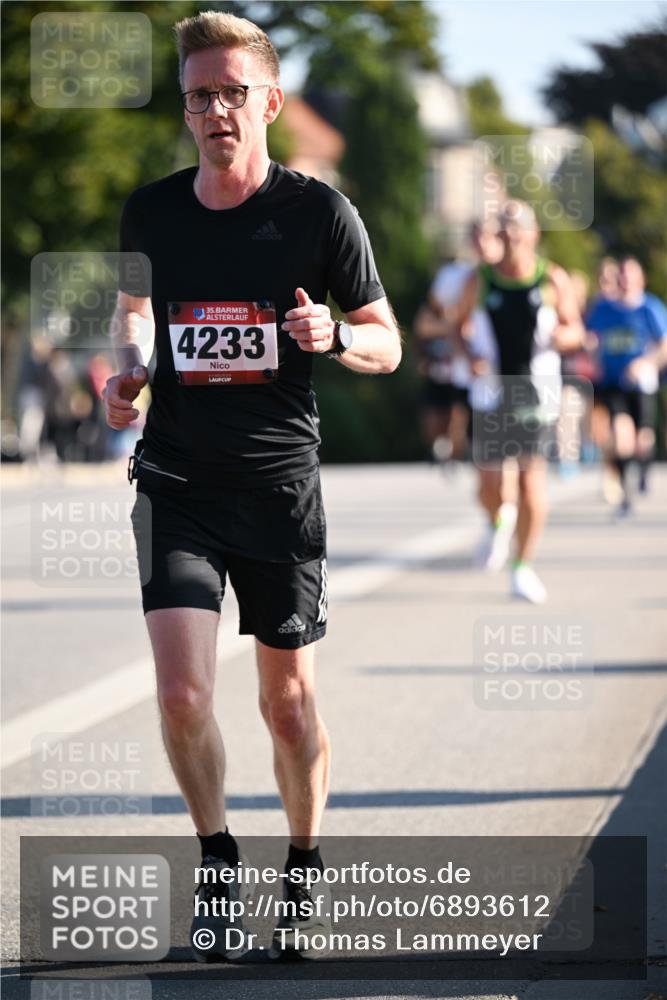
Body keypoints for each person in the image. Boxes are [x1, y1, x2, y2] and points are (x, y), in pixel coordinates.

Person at [102, 11, 401, 961]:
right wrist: (130, 371)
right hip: (176, 482)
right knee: (184, 694)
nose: (217, 110)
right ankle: (218, 857)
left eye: (234, 92)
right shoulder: (151, 211)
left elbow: (387, 341)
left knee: (287, 707)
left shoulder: (318, 214)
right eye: (200, 95)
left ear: (268, 101)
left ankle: (304, 859)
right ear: (185, 110)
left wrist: (339, 339)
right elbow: (135, 315)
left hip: (278, 489)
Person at [457, 200, 584, 604]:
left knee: (531, 486)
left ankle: (522, 567)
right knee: (489, 486)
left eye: (518, 228)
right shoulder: (481, 280)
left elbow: (574, 330)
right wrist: (468, 356)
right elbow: (456, 327)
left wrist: (562, 338)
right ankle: (498, 520)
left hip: (535, 393)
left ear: (533, 234)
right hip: (492, 392)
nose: (510, 235)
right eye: (504, 228)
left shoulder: (552, 278)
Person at [415, 222, 503, 466]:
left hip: (512, 368)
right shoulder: (454, 276)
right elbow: (426, 321)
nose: (482, 243)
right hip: (468, 365)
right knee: (452, 418)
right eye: (476, 237)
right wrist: (456, 332)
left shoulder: (523, 275)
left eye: (488, 236)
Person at [586, 256, 667, 513]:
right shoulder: (603, 308)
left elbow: (664, 345)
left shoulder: (650, 307)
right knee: (621, 437)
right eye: (621, 275)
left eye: (631, 275)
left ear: (640, 279)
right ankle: (624, 490)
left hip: (641, 384)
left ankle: (643, 470)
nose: (625, 280)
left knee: (643, 439)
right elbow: (588, 336)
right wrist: (592, 353)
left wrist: (646, 363)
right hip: (612, 382)